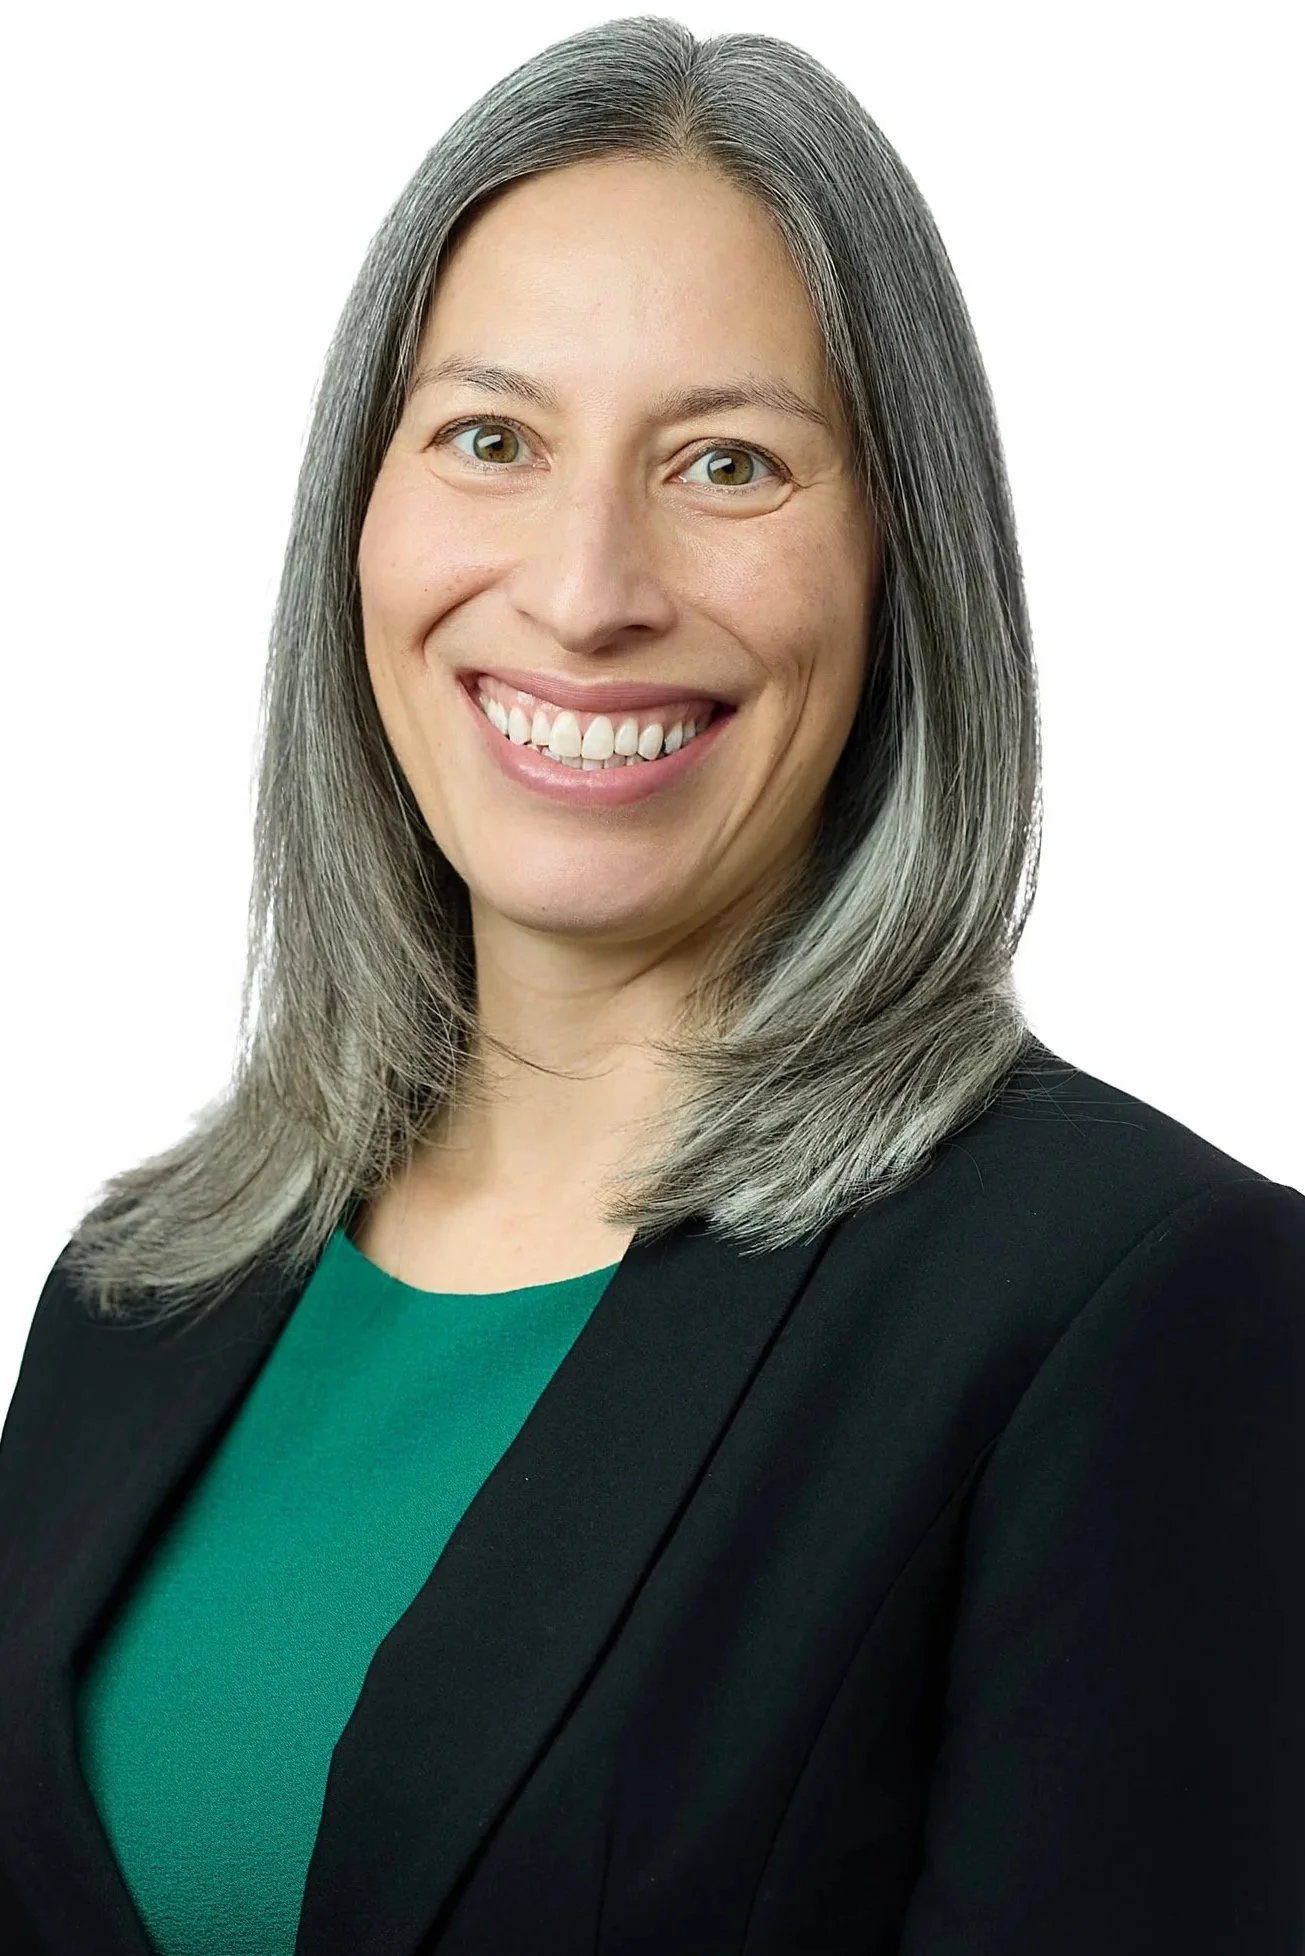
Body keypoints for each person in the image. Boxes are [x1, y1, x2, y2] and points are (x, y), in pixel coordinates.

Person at [1, 15, 1302, 1955]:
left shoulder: (1139, 1305)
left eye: (726, 462)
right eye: (491, 440)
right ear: (361, 515)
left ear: (897, 561)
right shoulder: (144, 1284)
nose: (586, 583)